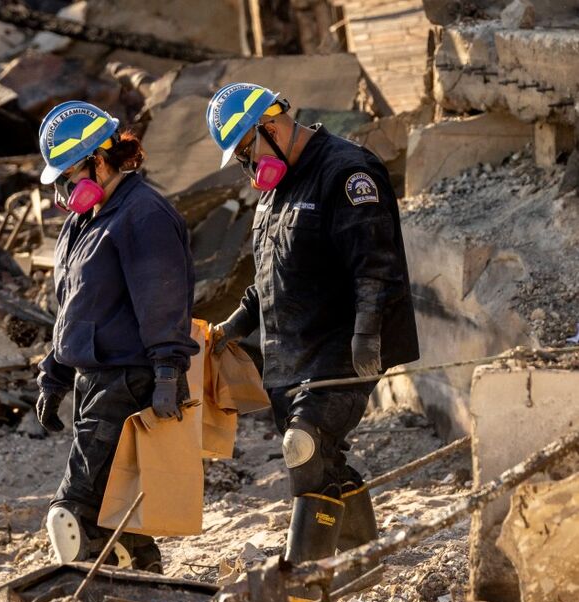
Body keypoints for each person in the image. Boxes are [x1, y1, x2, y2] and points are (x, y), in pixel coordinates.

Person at [205, 83, 419, 573]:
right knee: (322, 459)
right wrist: (237, 324)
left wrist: (367, 333)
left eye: (246, 149)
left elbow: (375, 264)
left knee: (302, 446)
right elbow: (271, 275)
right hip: (290, 354)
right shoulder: (274, 189)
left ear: (273, 125)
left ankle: (306, 576)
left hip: (341, 346)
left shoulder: (346, 171)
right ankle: (365, 560)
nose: (246, 165)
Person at [35, 100, 199, 572]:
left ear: (100, 161)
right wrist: (55, 374)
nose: (66, 188)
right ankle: (145, 593)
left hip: (128, 378)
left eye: (70, 174)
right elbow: (74, 306)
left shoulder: (144, 216)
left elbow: (163, 300)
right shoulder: (81, 223)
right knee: (115, 512)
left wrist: (168, 371)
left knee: (74, 511)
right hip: (93, 377)